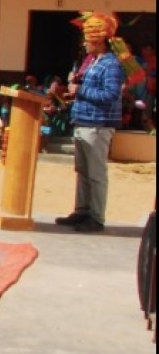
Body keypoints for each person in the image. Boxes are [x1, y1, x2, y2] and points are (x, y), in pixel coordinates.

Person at [56, 12, 127, 233]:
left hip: (98, 124)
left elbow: (111, 94)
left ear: (98, 41)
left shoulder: (111, 65)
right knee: (83, 171)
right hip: (84, 121)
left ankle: (96, 217)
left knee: (96, 173)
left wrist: (81, 90)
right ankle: (82, 210)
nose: (84, 43)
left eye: (87, 39)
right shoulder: (92, 63)